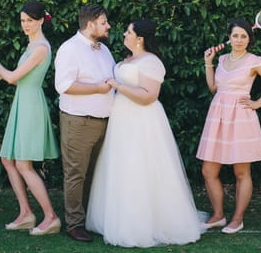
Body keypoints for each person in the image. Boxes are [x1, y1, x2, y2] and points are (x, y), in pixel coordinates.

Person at [86, 19, 203, 247]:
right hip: (120, 120)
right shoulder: (128, 59)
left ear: (139, 38)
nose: (124, 34)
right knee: (122, 167)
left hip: (141, 120)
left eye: (128, 32)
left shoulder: (151, 62)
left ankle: (142, 224)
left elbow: (149, 95)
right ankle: (117, 217)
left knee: (140, 167)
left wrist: (118, 86)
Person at [197, 18, 261, 234]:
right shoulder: (223, 58)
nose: (239, 40)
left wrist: (257, 103)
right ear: (229, 37)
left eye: (243, 36)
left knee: (241, 172)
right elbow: (213, 87)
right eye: (235, 35)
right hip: (217, 115)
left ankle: (238, 218)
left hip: (241, 117)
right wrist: (209, 62)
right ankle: (218, 216)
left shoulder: (254, 61)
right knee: (208, 170)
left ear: (249, 39)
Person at [0, 1, 61, 236]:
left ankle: (51, 217)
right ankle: (26, 214)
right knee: (8, 159)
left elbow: (12, 77)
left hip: (31, 106)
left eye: (30, 20)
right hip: (22, 102)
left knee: (23, 164)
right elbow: (16, 79)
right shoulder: (31, 47)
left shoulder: (41, 48)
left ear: (40, 21)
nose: (25, 25)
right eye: (22, 21)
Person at [54, 4, 116, 243]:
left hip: (104, 121)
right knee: (76, 174)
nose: (108, 26)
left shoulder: (104, 50)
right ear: (90, 24)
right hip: (79, 121)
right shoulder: (70, 49)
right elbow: (65, 85)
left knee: (95, 174)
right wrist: (98, 88)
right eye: (104, 22)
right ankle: (75, 224)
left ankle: (91, 218)